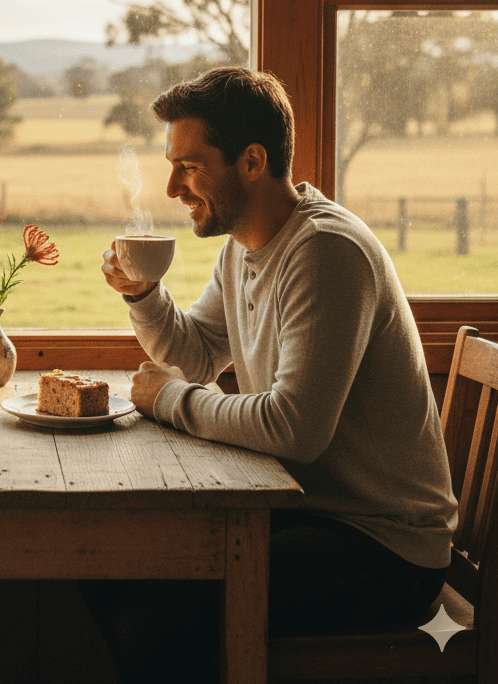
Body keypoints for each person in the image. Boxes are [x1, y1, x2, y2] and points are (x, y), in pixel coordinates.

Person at [86, 66, 457, 681]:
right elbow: (196, 352)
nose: (173, 187)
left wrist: (170, 400)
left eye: (190, 165)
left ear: (252, 161)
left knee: (151, 619)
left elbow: (293, 428)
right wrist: (143, 294)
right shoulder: (245, 247)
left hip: (383, 547)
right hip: (312, 514)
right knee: (106, 563)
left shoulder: (326, 251)